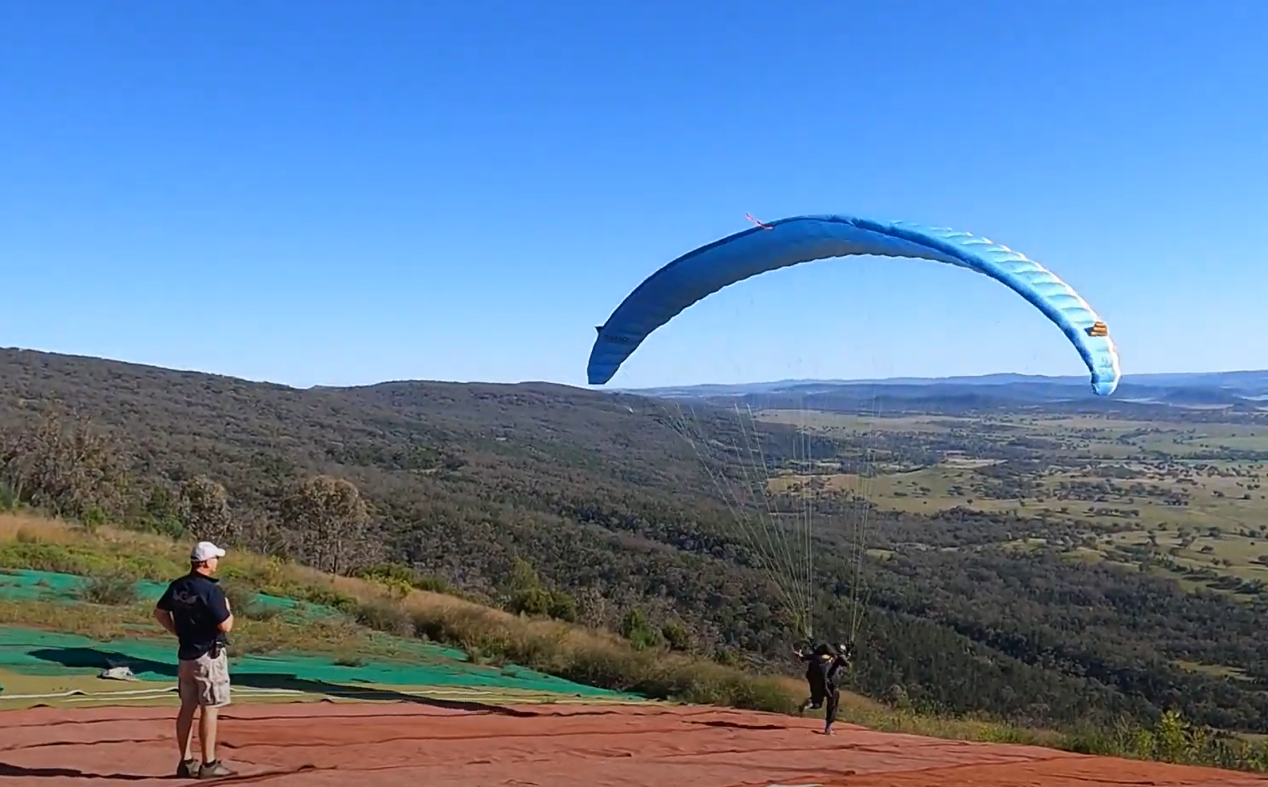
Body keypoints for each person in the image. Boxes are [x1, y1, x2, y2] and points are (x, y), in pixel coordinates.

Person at [154, 541, 236, 779]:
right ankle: (208, 764)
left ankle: (186, 761)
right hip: (208, 656)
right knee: (210, 708)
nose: (217, 562)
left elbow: (160, 612)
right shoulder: (211, 590)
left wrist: (177, 631)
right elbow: (225, 625)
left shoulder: (179, 585)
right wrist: (229, 610)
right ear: (206, 562)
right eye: (215, 558)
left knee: (187, 707)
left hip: (186, 655)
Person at [794, 641, 852, 735]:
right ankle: (828, 728)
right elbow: (846, 663)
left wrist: (801, 655)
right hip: (829, 683)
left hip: (815, 679)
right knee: (833, 700)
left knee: (817, 702)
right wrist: (847, 658)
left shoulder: (820, 656)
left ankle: (810, 702)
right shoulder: (838, 656)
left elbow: (804, 657)